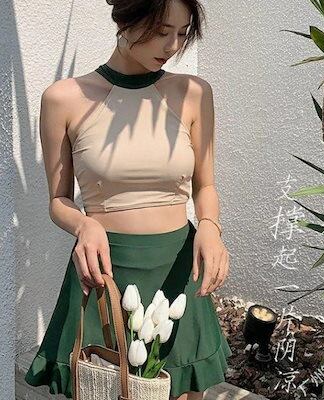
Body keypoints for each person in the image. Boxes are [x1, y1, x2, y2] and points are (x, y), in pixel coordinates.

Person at [24, 0, 233, 399]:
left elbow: (205, 186)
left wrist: (210, 226)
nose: (172, 45)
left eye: (182, 33)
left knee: (183, 390)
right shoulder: (64, 99)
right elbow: (59, 200)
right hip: (105, 271)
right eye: (161, 31)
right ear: (124, 19)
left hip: (177, 266)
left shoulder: (192, 93)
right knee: (105, 388)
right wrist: (84, 224)